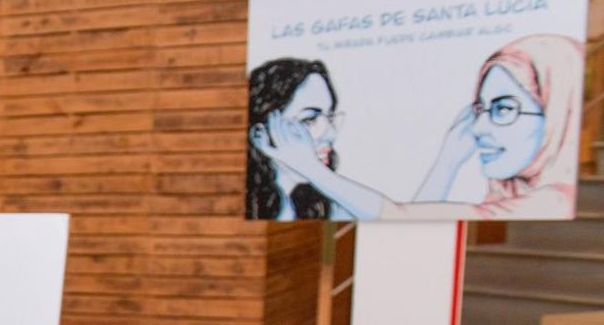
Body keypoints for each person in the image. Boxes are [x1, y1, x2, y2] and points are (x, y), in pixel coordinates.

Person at [254, 34, 585, 221]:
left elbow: (398, 217)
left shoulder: (552, 200)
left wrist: (312, 169)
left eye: (503, 109)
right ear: (261, 125)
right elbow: (408, 216)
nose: (480, 127)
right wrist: (449, 161)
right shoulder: (280, 197)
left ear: (557, 110)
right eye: (311, 118)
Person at [245, 58, 345, 220]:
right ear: (260, 133)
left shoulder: (322, 207)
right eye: (309, 119)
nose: (330, 134)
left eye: (330, 117)